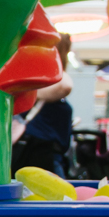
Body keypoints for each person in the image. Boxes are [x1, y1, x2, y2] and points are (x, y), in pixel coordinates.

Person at [11, 34, 74, 177]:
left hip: (40, 158)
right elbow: (65, 86)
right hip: (42, 161)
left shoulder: (39, 84)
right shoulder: (47, 83)